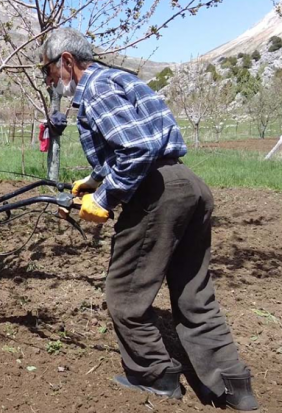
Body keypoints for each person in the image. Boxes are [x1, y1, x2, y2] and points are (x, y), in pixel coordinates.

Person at [39, 27, 258, 411]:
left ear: (67, 62)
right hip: (188, 184)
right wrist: (91, 182)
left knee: (123, 295)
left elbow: (137, 148)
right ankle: (233, 386)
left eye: (48, 72)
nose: (49, 81)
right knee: (195, 296)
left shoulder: (96, 88)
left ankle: (155, 375)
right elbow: (144, 141)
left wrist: (104, 199)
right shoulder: (123, 79)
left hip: (158, 194)